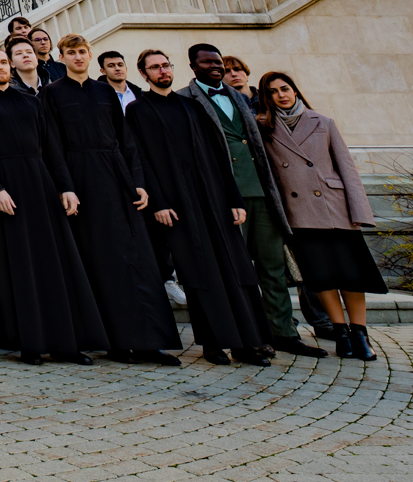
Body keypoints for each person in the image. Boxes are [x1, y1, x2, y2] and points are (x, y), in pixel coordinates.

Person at [38, 36, 180, 364]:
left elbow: (125, 139)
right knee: (101, 262)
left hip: (117, 179)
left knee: (137, 260)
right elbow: (52, 144)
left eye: (81, 52)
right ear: (61, 57)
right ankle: (116, 343)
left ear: (89, 57)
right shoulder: (52, 93)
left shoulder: (105, 91)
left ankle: (148, 341)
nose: (77, 57)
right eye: (70, 53)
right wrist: (65, 187)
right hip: (81, 180)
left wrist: (138, 183)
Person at [125, 49, 271, 366]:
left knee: (237, 269)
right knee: (199, 273)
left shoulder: (193, 106)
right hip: (178, 205)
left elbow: (220, 156)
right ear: (143, 73)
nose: (162, 71)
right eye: (154, 67)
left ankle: (248, 343)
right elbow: (142, 160)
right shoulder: (138, 110)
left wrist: (234, 199)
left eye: (165, 65)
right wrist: (159, 203)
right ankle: (213, 343)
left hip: (216, 200)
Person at [0, 48, 108, 364]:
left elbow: (51, 148)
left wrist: (66, 188)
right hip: (6, 189)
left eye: (3, 62)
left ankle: (66, 344)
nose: (0, 67)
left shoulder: (31, 101)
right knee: (20, 266)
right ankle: (29, 344)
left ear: (11, 65)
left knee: (56, 264)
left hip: (40, 185)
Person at [179, 44, 307, 356]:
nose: (216, 67)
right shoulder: (185, 100)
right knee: (237, 270)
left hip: (260, 191)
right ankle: (248, 333)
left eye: (218, 62)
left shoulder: (240, 96)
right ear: (193, 67)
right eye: (207, 63)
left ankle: (284, 333)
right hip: (223, 195)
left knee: (272, 265)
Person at [256, 72, 386, 361]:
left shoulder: (322, 122)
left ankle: (360, 332)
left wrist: (359, 211)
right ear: (267, 98)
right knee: (323, 277)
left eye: (285, 89)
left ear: (295, 90)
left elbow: (347, 168)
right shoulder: (264, 128)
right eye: (274, 92)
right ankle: (340, 333)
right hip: (300, 214)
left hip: (334, 209)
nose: (281, 95)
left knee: (352, 276)